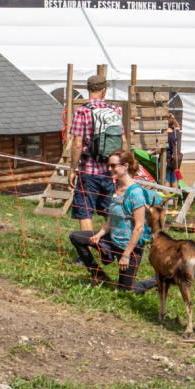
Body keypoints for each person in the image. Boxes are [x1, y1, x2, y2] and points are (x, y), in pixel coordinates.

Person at [69, 150, 157, 293]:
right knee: (76, 237)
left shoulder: (135, 193)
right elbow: (111, 219)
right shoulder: (116, 188)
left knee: (126, 292)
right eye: (109, 165)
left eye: (113, 166)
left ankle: (155, 280)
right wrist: (98, 235)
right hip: (113, 239)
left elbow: (139, 227)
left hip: (130, 246)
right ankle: (99, 275)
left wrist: (126, 254)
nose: (109, 169)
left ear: (126, 166)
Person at [69, 75, 127, 233]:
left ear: (88, 89)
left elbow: (76, 144)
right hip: (110, 171)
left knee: (85, 212)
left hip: (88, 170)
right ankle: (117, 243)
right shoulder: (114, 111)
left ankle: (87, 252)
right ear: (104, 90)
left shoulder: (82, 112)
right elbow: (123, 141)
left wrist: (72, 169)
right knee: (109, 210)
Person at [164, 113, 182, 189]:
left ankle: (167, 201)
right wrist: (173, 119)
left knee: (166, 182)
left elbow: (159, 149)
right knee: (174, 183)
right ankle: (175, 201)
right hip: (174, 161)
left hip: (166, 160)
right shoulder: (176, 133)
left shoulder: (164, 135)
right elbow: (178, 126)